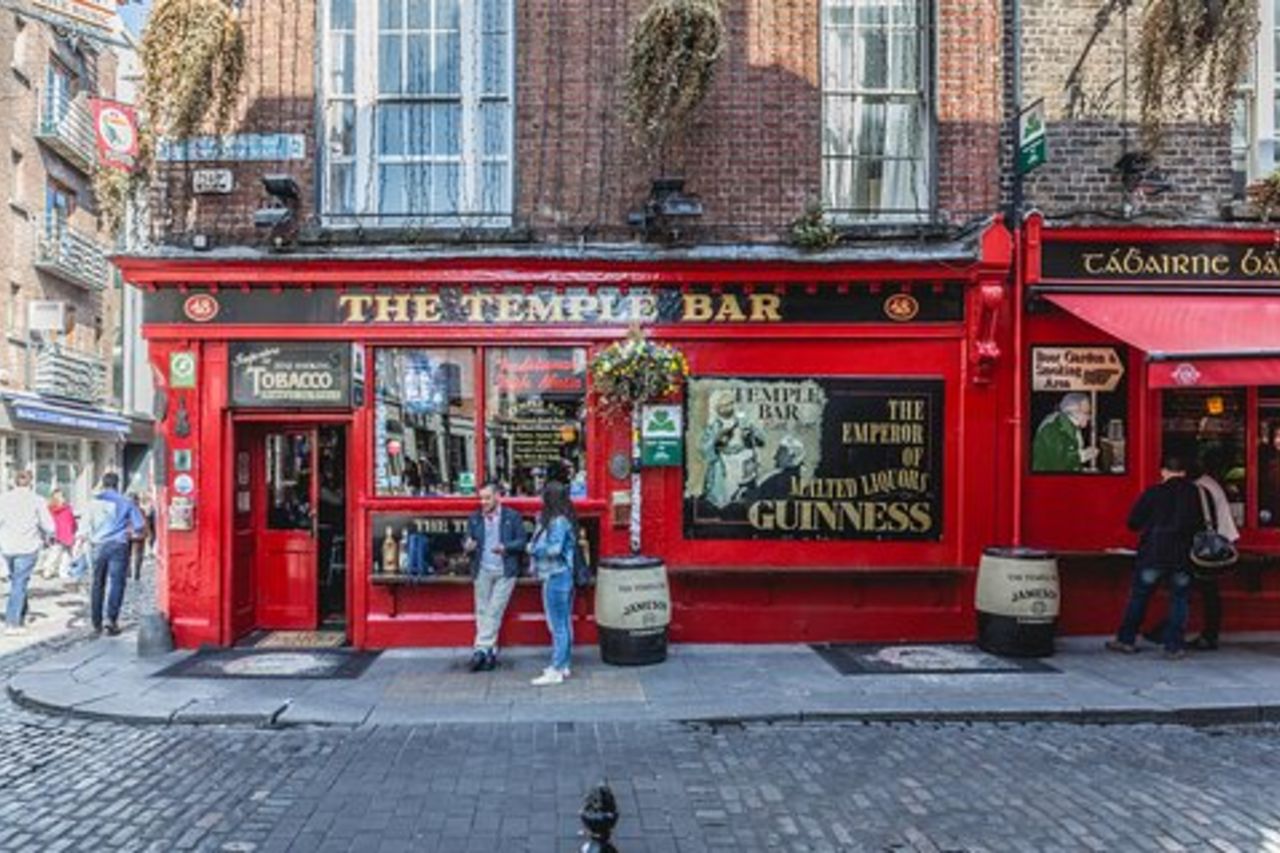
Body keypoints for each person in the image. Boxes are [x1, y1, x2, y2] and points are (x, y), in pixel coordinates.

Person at [1106, 453, 1203, 659]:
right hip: (1182, 555)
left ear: (1163, 471)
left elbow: (1133, 522)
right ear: (1184, 472)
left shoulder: (1154, 492)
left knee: (1140, 597)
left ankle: (1126, 640)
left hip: (1154, 552)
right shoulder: (1193, 493)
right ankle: (1174, 646)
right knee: (1180, 600)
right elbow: (1199, 525)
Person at [1144, 452, 1240, 651]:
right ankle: (1197, 634)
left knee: (1193, 591)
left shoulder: (1198, 488)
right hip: (1217, 542)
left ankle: (1189, 634)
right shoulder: (1209, 484)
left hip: (1207, 547)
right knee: (1202, 592)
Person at [463, 481, 528, 672]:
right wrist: (467, 545)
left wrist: (506, 547)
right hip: (482, 568)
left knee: (494, 609)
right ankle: (489, 652)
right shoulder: (474, 518)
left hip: (505, 570)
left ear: (498, 497)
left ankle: (480, 649)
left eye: (487, 498)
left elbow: (522, 541)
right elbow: (467, 540)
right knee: (482, 610)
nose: (483, 502)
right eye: (481, 498)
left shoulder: (512, 516)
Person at [527, 481, 577, 686]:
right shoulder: (562, 520)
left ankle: (556, 669)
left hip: (555, 575)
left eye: (542, 495)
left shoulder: (557, 522)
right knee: (564, 623)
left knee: (558, 625)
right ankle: (563, 664)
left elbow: (554, 549)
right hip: (563, 575)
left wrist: (532, 548)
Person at [86, 473, 145, 637]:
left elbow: (85, 525)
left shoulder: (92, 502)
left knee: (97, 583)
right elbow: (139, 525)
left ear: (103, 484)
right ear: (117, 484)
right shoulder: (126, 502)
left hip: (97, 545)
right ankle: (111, 620)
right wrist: (128, 529)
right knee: (117, 583)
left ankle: (96, 622)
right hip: (118, 545)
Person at [0, 471, 55, 635]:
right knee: (19, 583)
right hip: (27, 546)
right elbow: (49, 526)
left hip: (7, 546)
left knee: (16, 580)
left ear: (14, 482)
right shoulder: (37, 500)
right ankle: (13, 623)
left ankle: (22, 612)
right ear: (31, 482)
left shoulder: (4, 498)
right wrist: (50, 535)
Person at [699, 390, 766, 509]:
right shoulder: (714, 426)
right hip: (724, 463)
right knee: (724, 494)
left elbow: (761, 439)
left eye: (730, 404)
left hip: (743, 461)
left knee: (744, 494)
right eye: (724, 406)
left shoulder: (743, 421)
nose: (727, 408)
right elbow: (705, 449)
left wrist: (751, 435)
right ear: (718, 408)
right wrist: (717, 440)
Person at [1031, 392, 1100, 473]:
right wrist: (1082, 456)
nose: (1089, 417)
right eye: (1086, 413)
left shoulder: (1072, 426)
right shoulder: (1052, 428)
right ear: (1073, 411)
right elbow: (1057, 463)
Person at [753, 434, 806, 500]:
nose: (775, 457)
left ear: (792, 456)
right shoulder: (771, 479)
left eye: (780, 453)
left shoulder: (774, 481)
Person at [42, 489, 78, 580]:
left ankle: (55, 571)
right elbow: (71, 520)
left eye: (62, 496)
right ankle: (53, 571)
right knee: (57, 553)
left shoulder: (61, 508)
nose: (62, 498)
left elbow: (71, 520)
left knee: (64, 554)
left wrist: (74, 528)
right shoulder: (56, 509)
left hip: (63, 533)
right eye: (60, 496)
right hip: (60, 534)